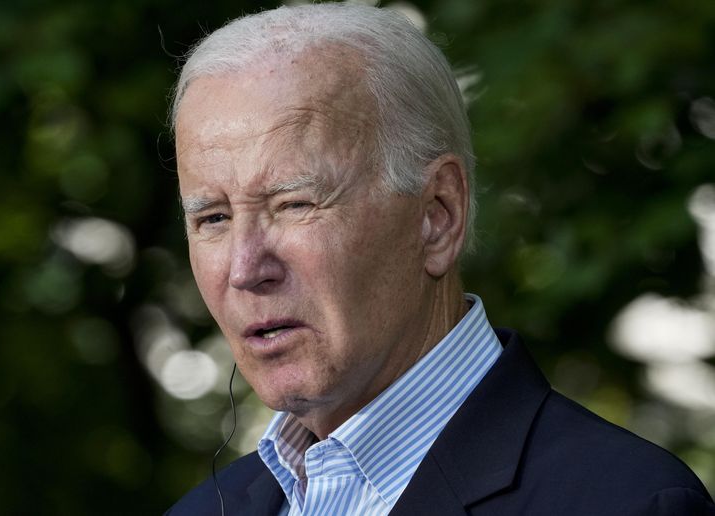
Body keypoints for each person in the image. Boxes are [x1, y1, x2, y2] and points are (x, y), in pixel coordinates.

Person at [166, 3, 714, 515]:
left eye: (294, 204)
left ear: (437, 216)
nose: (244, 268)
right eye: (212, 218)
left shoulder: (627, 502)